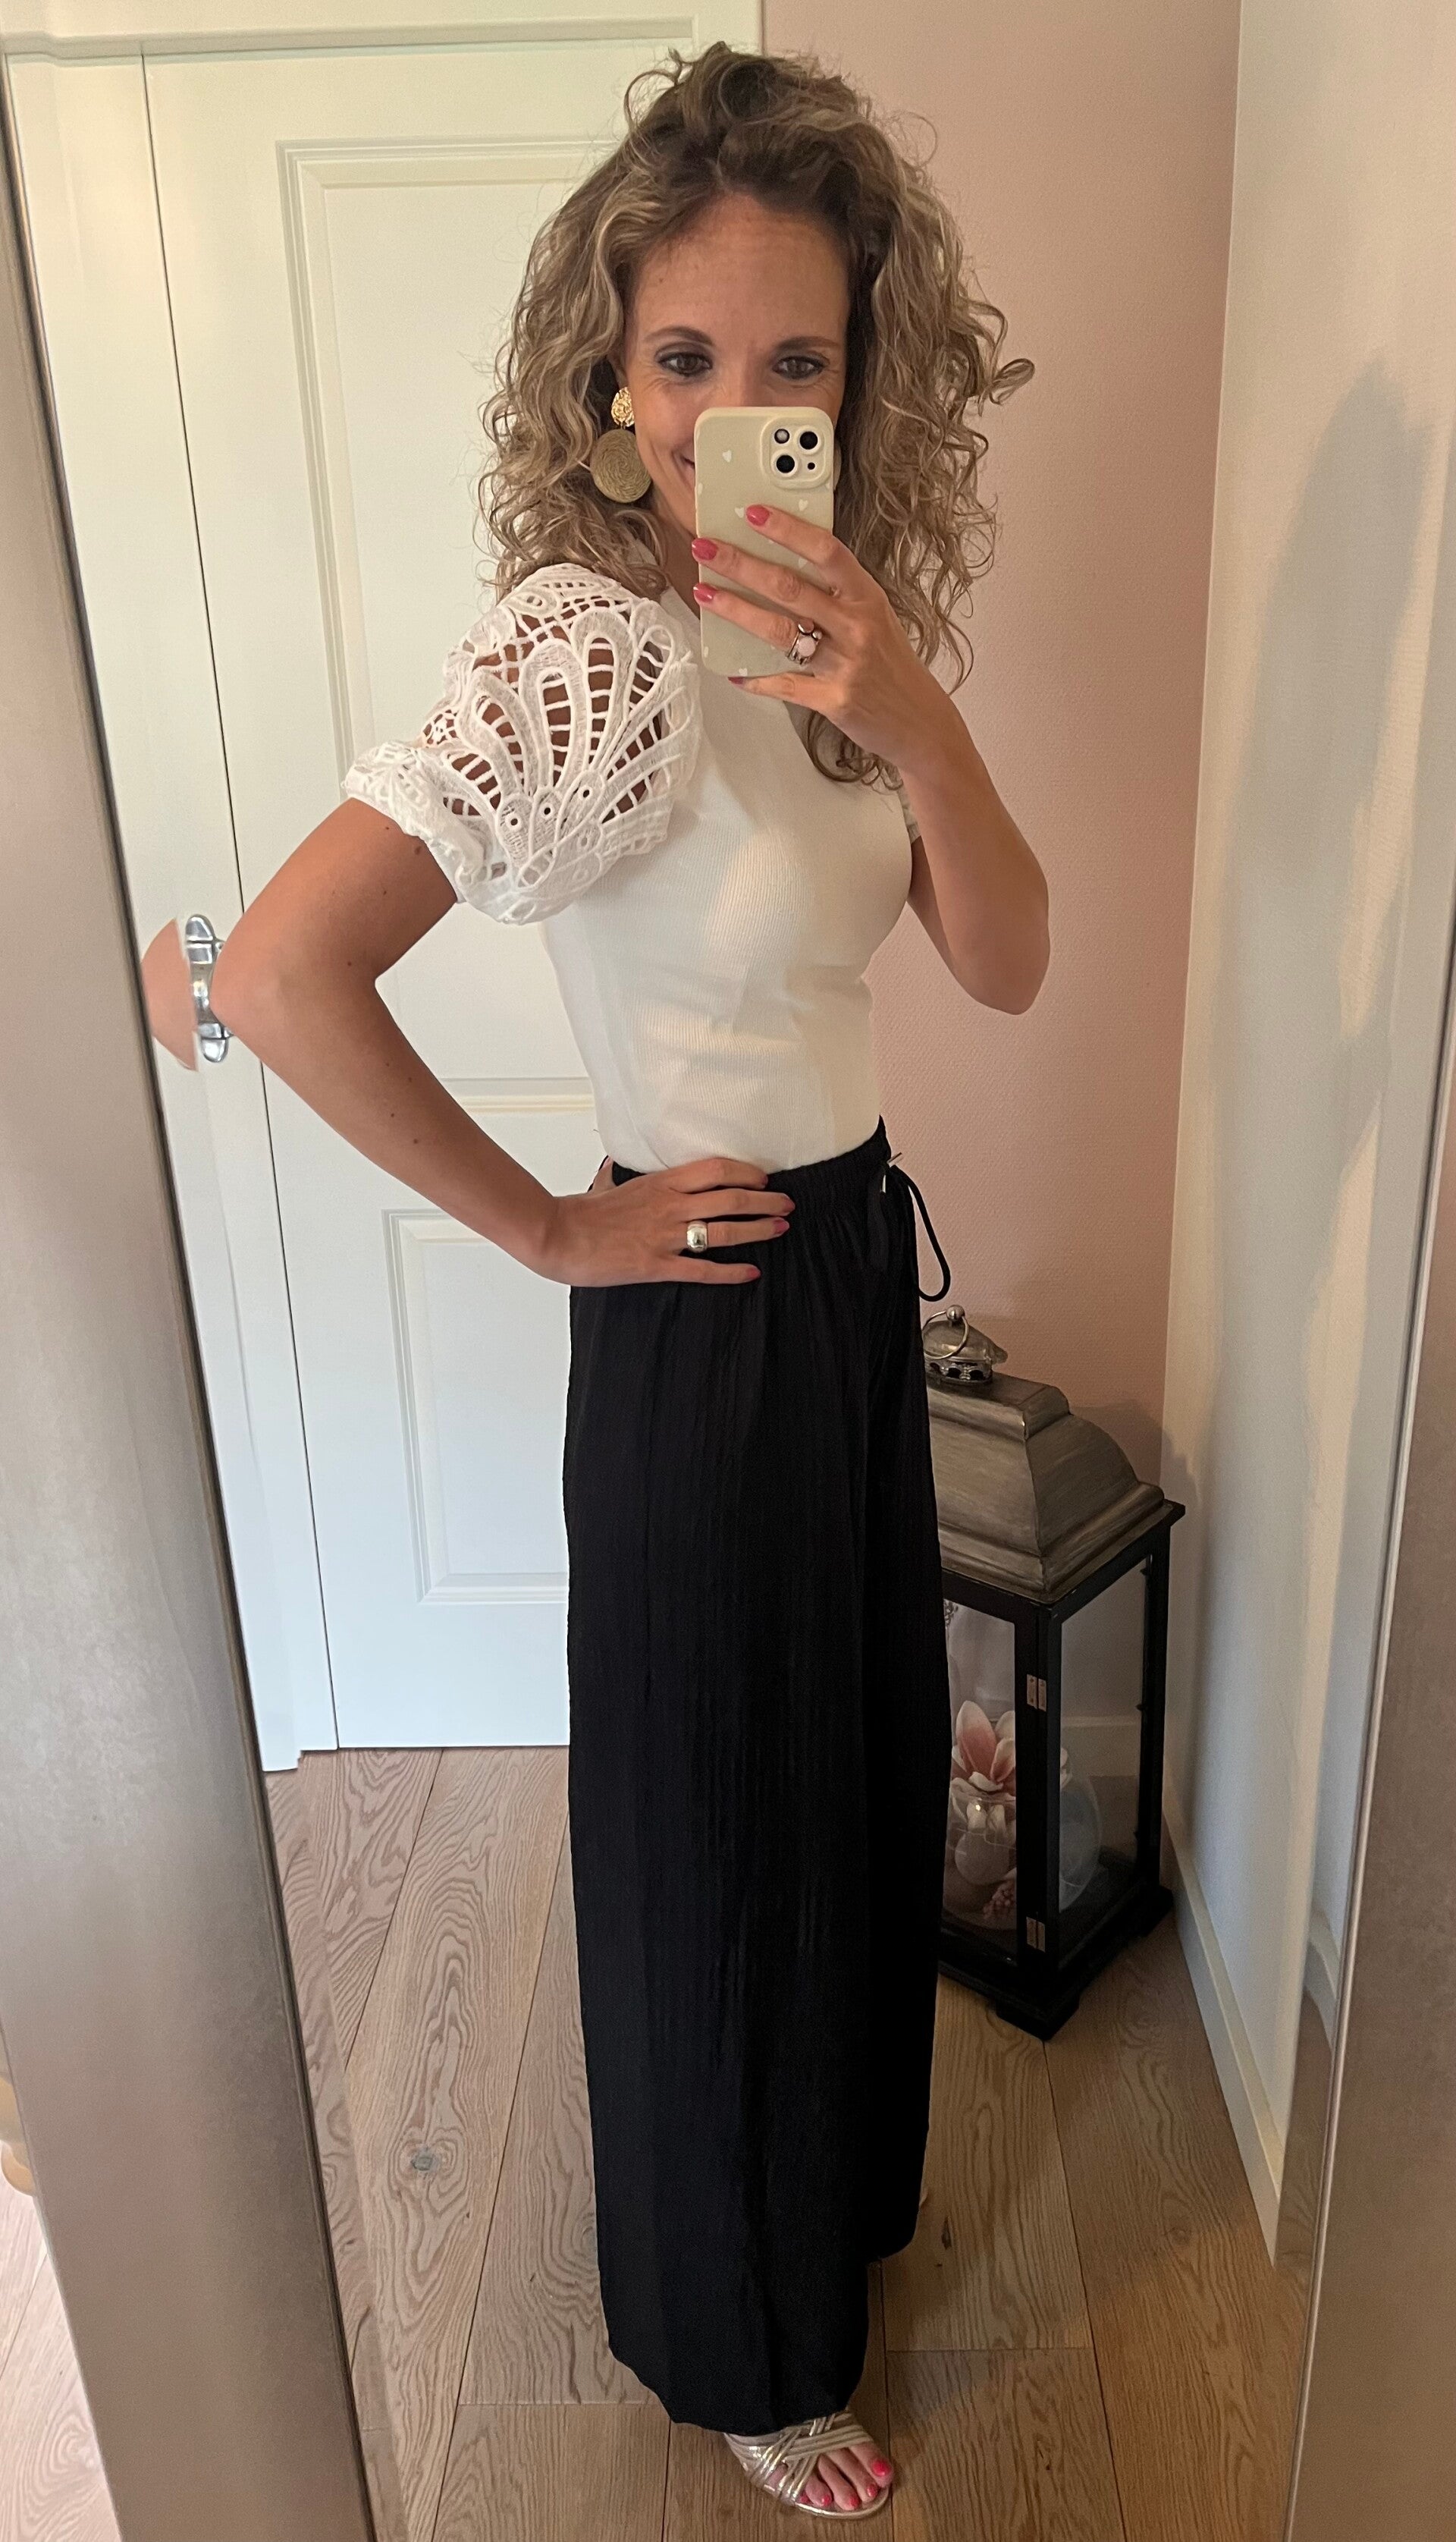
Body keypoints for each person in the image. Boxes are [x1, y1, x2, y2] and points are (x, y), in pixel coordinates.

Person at [196, 42, 1047, 2521]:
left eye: (794, 360)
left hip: (848, 1286)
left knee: (854, 1782)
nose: (727, 413)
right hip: (702, 1312)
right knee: (722, 1844)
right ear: (605, 374)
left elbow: (1006, 962)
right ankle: (742, 2343)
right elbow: (285, 975)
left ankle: (829, 2208)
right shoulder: (588, 655)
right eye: (683, 357)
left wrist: (917, 711)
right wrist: (561, 1228)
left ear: (862, 384)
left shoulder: (847, 654)